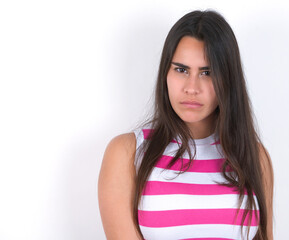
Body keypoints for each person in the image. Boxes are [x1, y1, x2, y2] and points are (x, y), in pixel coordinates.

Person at [98, 10, 274, 240]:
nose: (192, 88)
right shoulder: (128, 153)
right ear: (165, 74)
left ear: (228, 80)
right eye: (181, 70)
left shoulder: (253, 155)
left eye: (207, 72)